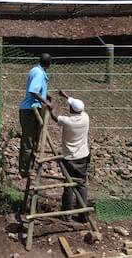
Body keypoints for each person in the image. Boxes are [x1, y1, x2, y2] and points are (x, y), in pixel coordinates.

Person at [40, 90, 91, 222]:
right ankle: (83, 215)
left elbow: (55, 117)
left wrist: (50, 107)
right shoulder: (85, 117)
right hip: (83, 156)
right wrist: (66, 96)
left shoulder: (68, 121)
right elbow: (77, 106)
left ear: (71, 110)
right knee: (82, 185)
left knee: (68, 185)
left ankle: (66, 215)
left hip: (69, 158)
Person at [18, 53, 51, 178]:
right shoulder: (39, 73)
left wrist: (46, 95)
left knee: (32, 140)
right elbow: (33, 90)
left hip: (30, 110)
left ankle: (29, 168)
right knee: (28, 141)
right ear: (49, 64)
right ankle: (25, 172)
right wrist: (45, 101)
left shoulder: (35, 70)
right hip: (30, 111)